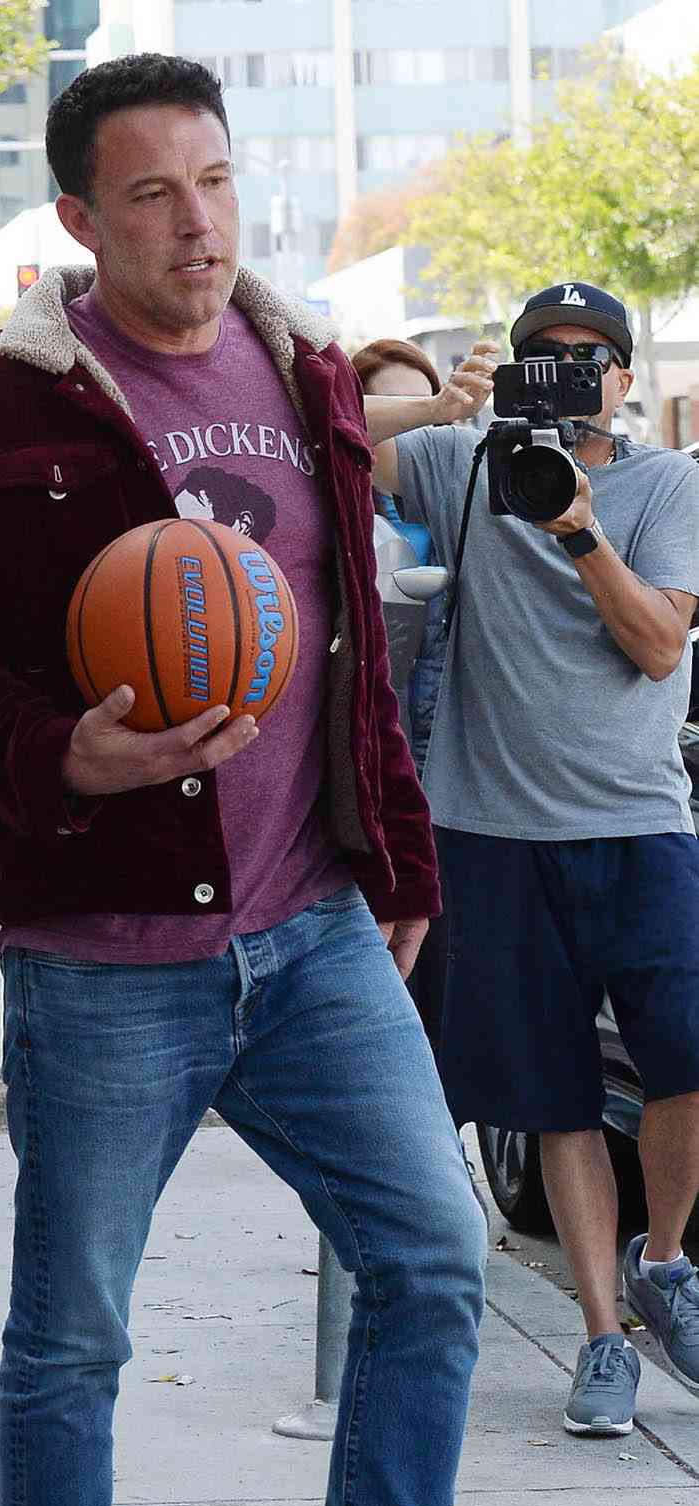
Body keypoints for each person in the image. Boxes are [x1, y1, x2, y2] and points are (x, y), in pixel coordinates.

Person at [0, 53, 559, 1506]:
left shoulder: (308, 370)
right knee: (73, 1338)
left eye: (218, 181)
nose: (196, 220)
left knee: (429, 1266)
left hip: (312, 931)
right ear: (79, 218)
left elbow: (348, 651)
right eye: (154, 192)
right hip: (104, 953)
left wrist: (394, 851)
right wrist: (53, 754)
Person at [366, 282, 699, 1439]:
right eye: (540, 359)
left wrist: (578, 525)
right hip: (497, 832)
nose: (568, 374)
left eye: (588, 356)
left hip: (642, 821)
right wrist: (438, 407)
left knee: (686, 1061)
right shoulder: (464, 460)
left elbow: (660, 645)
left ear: (621, 374)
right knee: (558, 1094)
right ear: (512, 374)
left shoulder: (667, 482)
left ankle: (667, 1262)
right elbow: (327, 442)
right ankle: (604, 1336)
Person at [351, 340, 453, 1060]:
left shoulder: (469, 511)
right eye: (396, 413)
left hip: (451, 810)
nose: (411, 437)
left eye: (430, 421)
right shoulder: (344, 519)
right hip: (370, 806)